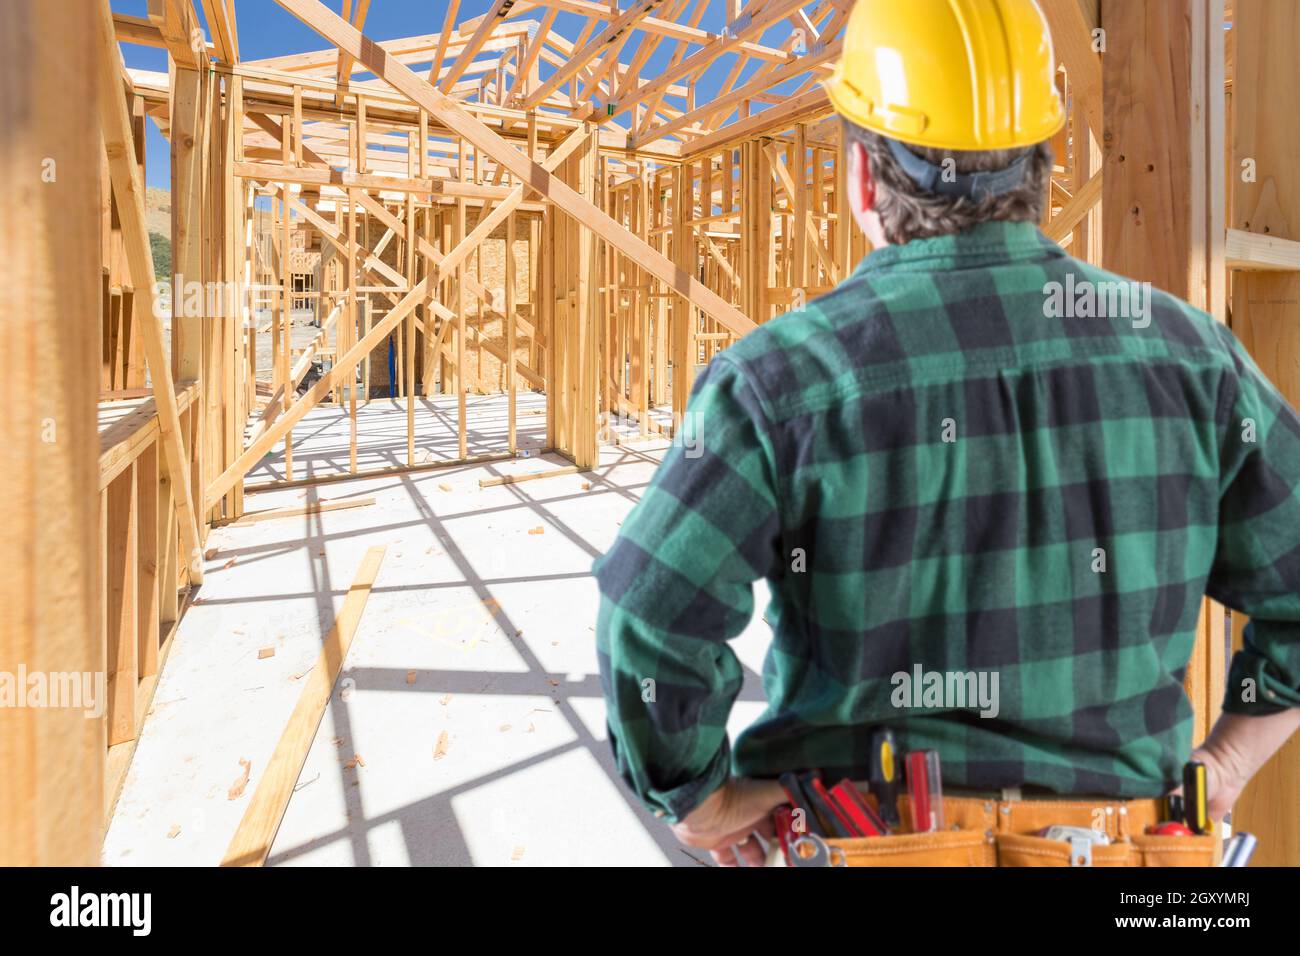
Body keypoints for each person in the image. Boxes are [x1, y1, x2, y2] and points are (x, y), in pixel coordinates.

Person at [593, 0, 1300, 866]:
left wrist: (699, 796)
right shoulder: (1194, 359)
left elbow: (649, 613)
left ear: (863, 176)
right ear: (1044, 162)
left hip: (866, 840)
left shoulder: (780, 380)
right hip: (1135, 856)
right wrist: (1226, 761)